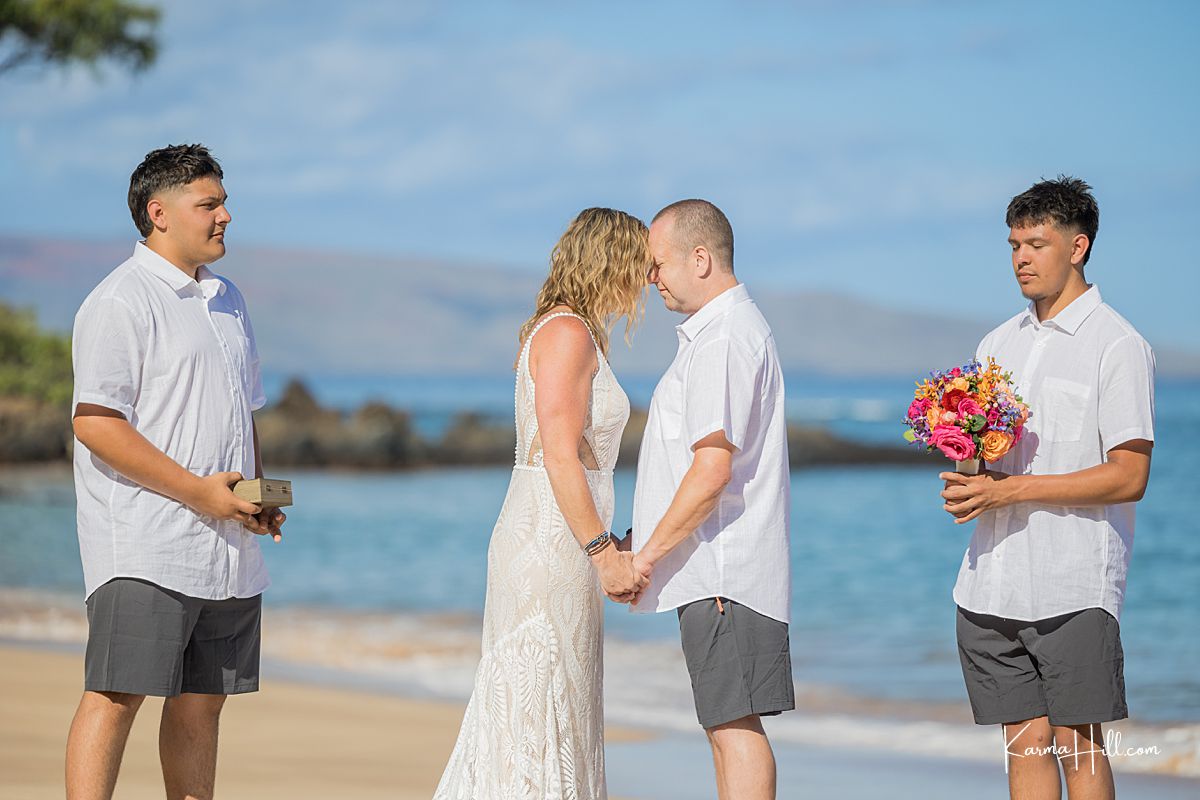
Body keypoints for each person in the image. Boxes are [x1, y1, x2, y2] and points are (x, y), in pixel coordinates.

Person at [66, 144, 285, 800]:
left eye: (223, 203)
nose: (225, 217)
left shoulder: (230, 300)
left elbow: (243, 413)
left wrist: (254, 495)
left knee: (203, 703)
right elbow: (95, 422)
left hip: (225, 548)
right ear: (158, 212)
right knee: (116, 695)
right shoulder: (119, 301)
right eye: (209, 204)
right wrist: (197, 492)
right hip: (143, 543)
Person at [941, 176, 1154, 800]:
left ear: (1078, 246)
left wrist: (1013, 491)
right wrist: (969, 473)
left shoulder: (1119, 345)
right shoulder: (996, 343)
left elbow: (1130, 475)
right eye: (1013, 245)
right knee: (1022, 745)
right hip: (989, 581)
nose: (1021, 259)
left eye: (1036, 243)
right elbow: (987, 459)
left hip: (1074, 583)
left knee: (1078, 747)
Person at [434, 208, 650, 799]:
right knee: (537, 697)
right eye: (641, 266)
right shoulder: (567, 333)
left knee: (564, 699)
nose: (648, 282)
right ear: (612, 262)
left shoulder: (571, 330)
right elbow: (559, 456)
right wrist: (605, 551)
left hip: (566, 538)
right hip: (550, 543)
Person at [628, 199, 793, 800]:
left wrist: (643, 558)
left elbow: (711, 469)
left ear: (700, 259)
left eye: (658, 263)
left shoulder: (725, 337)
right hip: (715, 571)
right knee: (724, 725)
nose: (652, 278)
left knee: (734, 726)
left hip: (725, 571)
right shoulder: (718, 333)